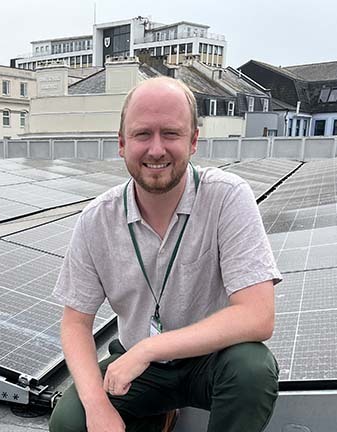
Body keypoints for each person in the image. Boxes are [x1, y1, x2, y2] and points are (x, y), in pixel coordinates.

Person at [49, 76, 281, 432]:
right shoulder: (97, 220)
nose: (156, 149)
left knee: (252, 368)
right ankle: (157, 414)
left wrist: (147, 350)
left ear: (193, 142)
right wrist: (97, 406)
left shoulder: (227, 197)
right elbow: (75, 323)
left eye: (170, 134)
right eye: (143, 135)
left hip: (210, 359)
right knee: (70, 423)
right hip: (139, 369)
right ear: (122, 144)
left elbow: (258, 315)